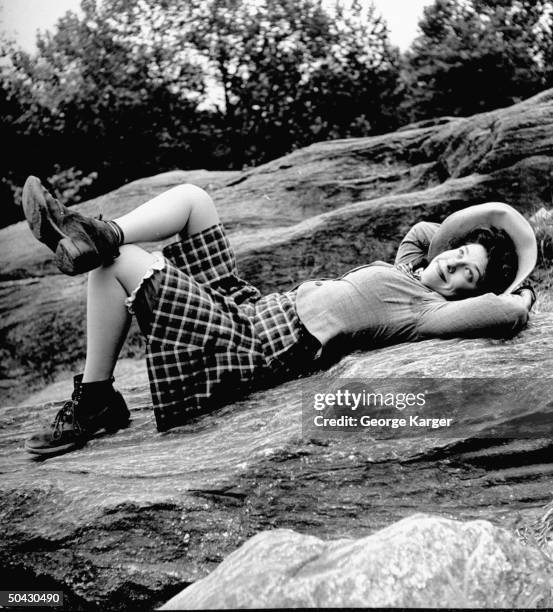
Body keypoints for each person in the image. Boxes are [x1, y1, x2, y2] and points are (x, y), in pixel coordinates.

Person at [19, 176, 538, 457]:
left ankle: (94, 402)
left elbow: (502, 313)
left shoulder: (427, 312)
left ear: (469, 294)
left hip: (250, 348)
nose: (453, 265)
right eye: (459, 254)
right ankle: (99, 233)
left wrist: (521, 293)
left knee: (123, 266)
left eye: (468, 274)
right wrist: (470, 232)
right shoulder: (413, 266)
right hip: (249, 306)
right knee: (194, 199)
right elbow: (427, 232)